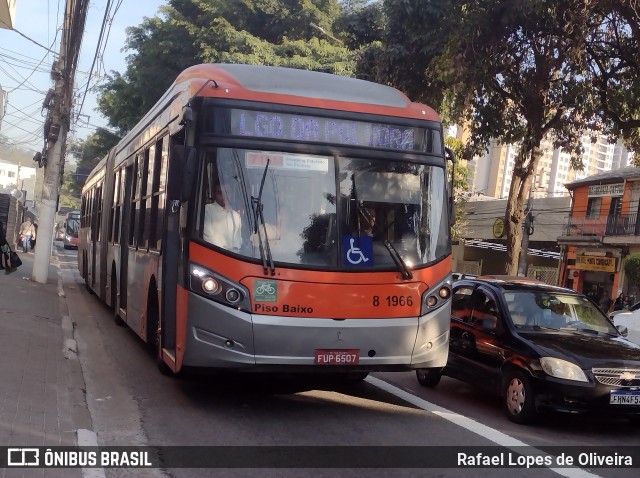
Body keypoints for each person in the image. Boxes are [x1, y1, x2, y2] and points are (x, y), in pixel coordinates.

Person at [203, 181, 242, 250]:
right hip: (214, 255)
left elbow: (238, 243)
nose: (224, 196)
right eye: (220, 193)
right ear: (214, 194)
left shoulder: (235, 216)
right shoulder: (208, 210)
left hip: (234, 258)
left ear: (231, 194)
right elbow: (208, 240)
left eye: (227, 193)